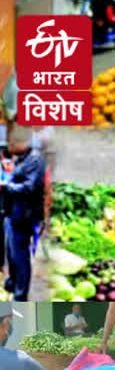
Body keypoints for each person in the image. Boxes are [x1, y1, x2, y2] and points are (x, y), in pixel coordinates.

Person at [3, 125, 46, 300]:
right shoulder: (22, 157)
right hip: (12, 213)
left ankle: (20, 295)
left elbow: (29, 187)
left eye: (11, 145)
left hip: (23, 216)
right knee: (11, 253)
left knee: (20, 256)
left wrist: (6, 186)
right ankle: (13, 283)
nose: (9, 148)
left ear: (22, 142)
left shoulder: (35, 160)